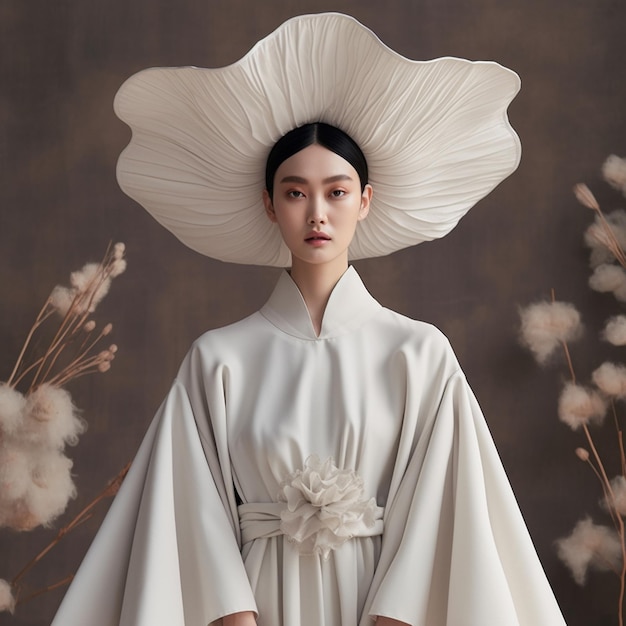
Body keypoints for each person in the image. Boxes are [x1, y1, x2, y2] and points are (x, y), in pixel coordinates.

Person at [52, 13, 566, 626]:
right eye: (295, 192)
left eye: (337, 191)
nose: (317, 212)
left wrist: (394, 616)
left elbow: (444, 509)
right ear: (269, 204)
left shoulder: (418, 353)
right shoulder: (218, 359)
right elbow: (185, 511)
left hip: (379, 606)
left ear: (366, 200)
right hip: (255, 603)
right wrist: (235, 616)